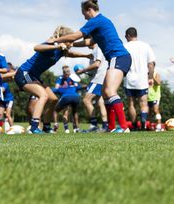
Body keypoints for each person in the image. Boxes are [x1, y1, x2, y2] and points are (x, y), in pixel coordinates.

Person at [50, 0, 132, 133]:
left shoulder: (96, 20)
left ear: (89, 9)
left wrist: (57, 40)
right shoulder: (101, 22)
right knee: (105, 93)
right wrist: (72, 44)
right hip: (117, 58)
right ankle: (111, 128)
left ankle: (124, 127)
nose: (84, 17)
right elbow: (90, 41)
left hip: (119, 57)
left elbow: (77, 35)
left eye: (84, 14)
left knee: (110, 91)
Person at [14, 26, 92, 134]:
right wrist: (56, 47)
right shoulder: (52, 45)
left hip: (34, 76)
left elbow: (71, 54)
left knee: (53, 99)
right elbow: (37, 47)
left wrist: (86, 55)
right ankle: (34, 127)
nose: (71, 44)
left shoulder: (61, 51)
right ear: (63, 38)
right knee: (43, 95)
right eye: (70, 41)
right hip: (24, 73)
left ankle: (46, 126)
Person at [76, 43, 109, 132]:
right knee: (100, 102)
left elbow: (97, 64)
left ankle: (94, 125)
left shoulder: (97, 48)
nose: (84, 42)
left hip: (98, 79)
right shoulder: (99, 49)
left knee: (86, 100)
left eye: (86, 39)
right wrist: (87, 73)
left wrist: (82, 70)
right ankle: (105, 126)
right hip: (102, 78)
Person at [53, 66, 81, 133]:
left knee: (57, 111)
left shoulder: (61, 78)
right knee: (74, 113)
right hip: (75, 97)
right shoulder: (71, 78)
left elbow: (56, 88)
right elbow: (77, 86)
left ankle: (62, 127)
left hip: (65, 97)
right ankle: (76, 128)